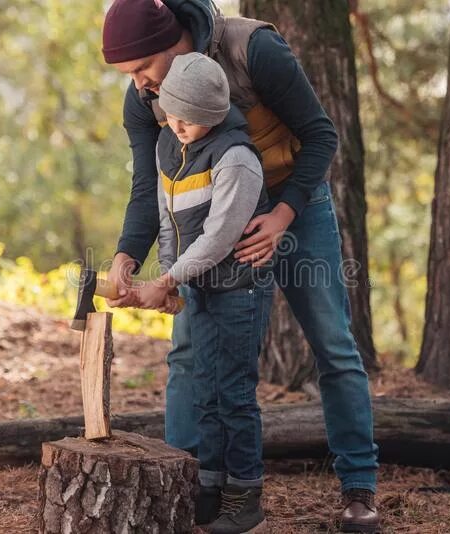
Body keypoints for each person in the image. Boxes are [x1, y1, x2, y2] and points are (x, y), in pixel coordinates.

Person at [102, 1, 380, 531]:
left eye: (141, 69)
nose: (137, 85)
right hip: (207, 224)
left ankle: (358, 487)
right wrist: (126, 254)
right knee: (186, 354)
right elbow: (149, 184)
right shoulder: (145, 98)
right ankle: (186, 482)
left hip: (290, 204)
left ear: (172, 41)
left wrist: (282, 215)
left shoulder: (252, 49)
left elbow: (321, 135)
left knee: (333, 345)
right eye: (128, 75)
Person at [136, 52, 273, 533]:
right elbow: (169, 221)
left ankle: (245, 496)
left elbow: (218, 237)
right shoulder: (167, 149)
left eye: (191, 119)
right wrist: (171, 275)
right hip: (199, 286)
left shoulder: (237, 158)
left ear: (214, 115)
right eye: (173, 114)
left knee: (233, 391)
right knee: (203, 391)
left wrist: (168, 280)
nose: (180, 125)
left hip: (238, 289)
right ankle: (210, 488)